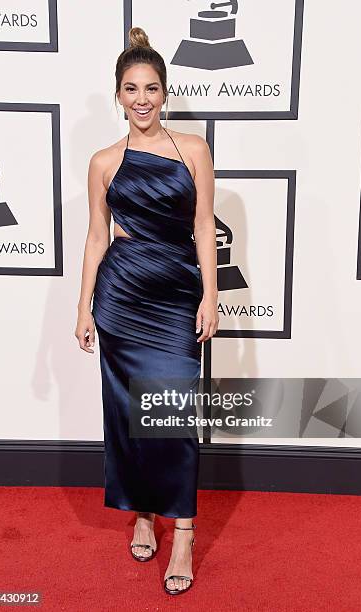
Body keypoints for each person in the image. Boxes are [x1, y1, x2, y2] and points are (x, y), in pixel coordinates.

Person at [75, 26, 218, 596]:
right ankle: (143, 512)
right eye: (131, 88)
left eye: (151, 87)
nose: (142, 98)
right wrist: (85, 307)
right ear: (117, 94)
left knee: (174, 415)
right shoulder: (104, 162)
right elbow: (95, 238)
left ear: (165, 91)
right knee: (129, 418)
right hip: (122, 295)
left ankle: (182, 530)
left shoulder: (194, 150)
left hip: (179, 294)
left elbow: (204, 224)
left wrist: (210, 293)